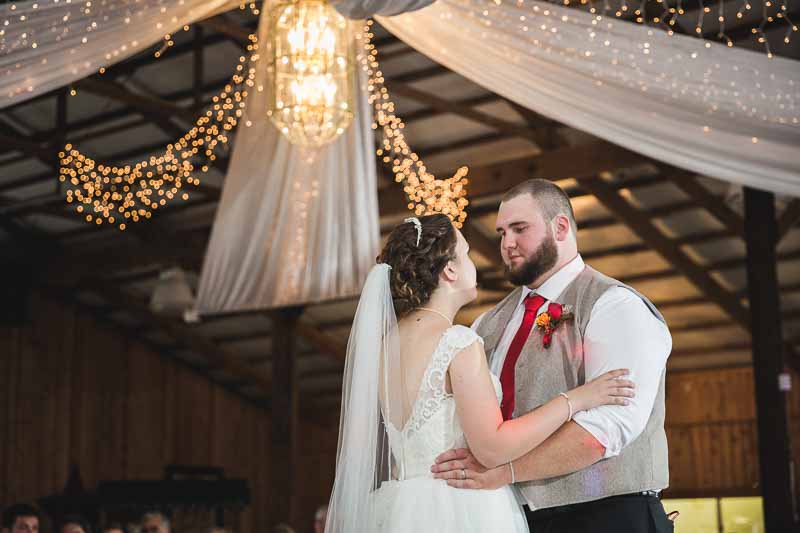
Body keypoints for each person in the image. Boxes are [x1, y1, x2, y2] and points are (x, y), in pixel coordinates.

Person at [324, 213, 635, 532]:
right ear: (450, 269)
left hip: (399, 506)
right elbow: (492, 448)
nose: (473, 263)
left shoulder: (383, 347)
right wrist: (576, 399)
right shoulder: (457, 341)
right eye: (466, 253)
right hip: (457, 503)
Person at [431, 179, 673, 532]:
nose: (506, 244)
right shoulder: (487, 323)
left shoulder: (614, 304)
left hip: (606, 514)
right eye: (502, 233)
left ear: (560, 227)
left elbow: (608, 427)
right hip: (510, 516)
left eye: (519, 229)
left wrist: (509, 472)